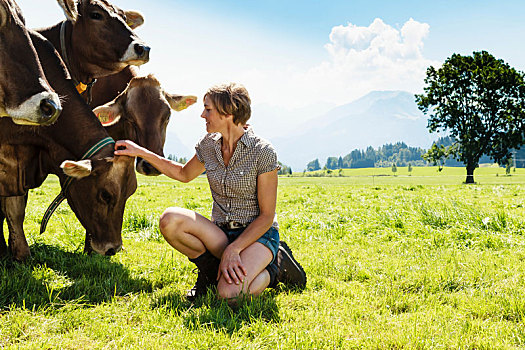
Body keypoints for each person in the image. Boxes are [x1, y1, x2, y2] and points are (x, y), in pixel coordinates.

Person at [114, 82, 306, 305]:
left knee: (229, 296)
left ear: (228, 112)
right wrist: (140, 152)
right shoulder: (209, 146)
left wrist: (235, 249)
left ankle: (275, 267)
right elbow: (183, 174)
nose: (202, 115)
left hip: (257, 237)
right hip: (221, 233)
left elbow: (266, 216)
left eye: (208, 109)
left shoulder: (262, 151)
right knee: (170, 220)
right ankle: (210, 273)